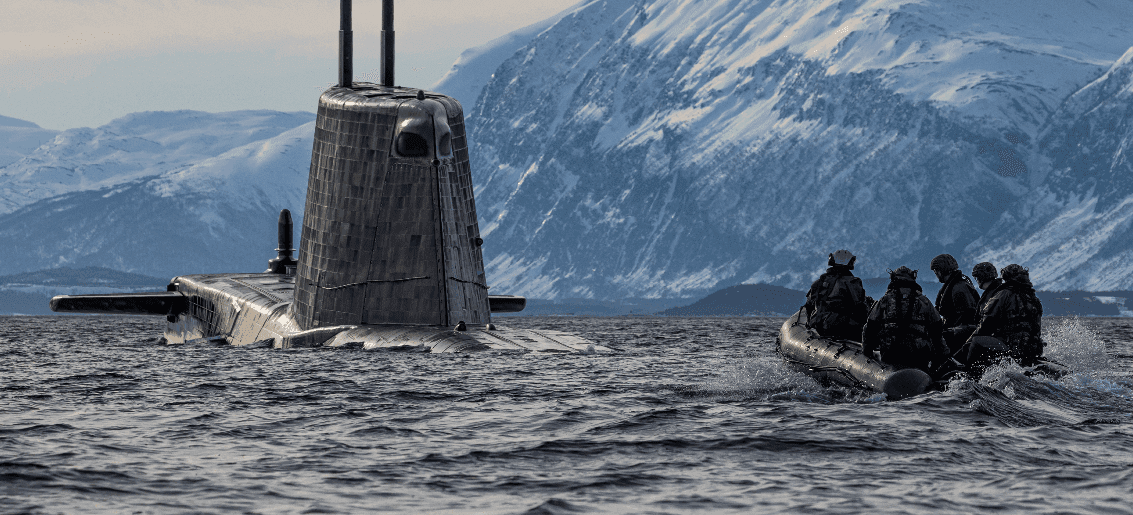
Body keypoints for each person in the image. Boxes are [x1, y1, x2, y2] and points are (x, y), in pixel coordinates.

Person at [862, 266, 946, 373]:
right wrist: (942, 356)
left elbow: (869, 328)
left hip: (890, 353)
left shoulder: (884, 301)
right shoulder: (924, 302)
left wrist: (867, 353)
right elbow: (937, 332)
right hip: (918, 355)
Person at [970, 264, 1044, 366]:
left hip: (1011, 347)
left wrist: (969, 342)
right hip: (1031, 350)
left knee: (976, 341)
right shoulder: (1033, 298)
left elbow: (986, 323)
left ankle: (970, 376)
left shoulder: (1003, 294)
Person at [804, 250, 872, 341]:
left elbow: (809, 306)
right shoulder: (851, 282)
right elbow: (861, 308)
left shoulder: (819, 282)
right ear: (849, 262)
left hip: (817, 323)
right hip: (837, 326)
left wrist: (810, 324)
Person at [930, 253, 980, 353]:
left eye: (936, 271)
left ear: (942, 270)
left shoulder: (959, 288)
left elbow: (968, 315)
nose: (936, 274)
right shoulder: (957, 286)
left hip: (960, 340)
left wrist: (950, 332)